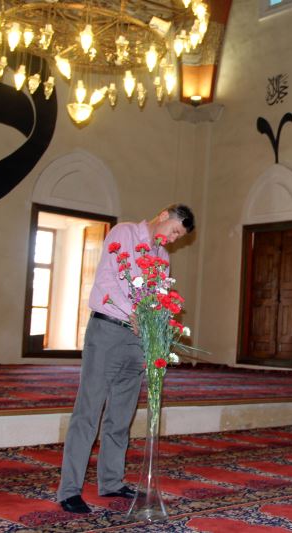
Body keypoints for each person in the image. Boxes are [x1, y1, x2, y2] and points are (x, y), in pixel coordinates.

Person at [57, 204, 195, 514]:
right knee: (89, 411)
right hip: (107, 331)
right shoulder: (124, 233)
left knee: (121, 413)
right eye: (174, 231)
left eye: (179, 236)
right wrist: (133, 313)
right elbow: (107, 282)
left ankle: (111, 481)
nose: (173, 239)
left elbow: (159, 297)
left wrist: (157, 331)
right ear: (163, 215)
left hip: (137, 340)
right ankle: (69, 491)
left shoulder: (162, 257)